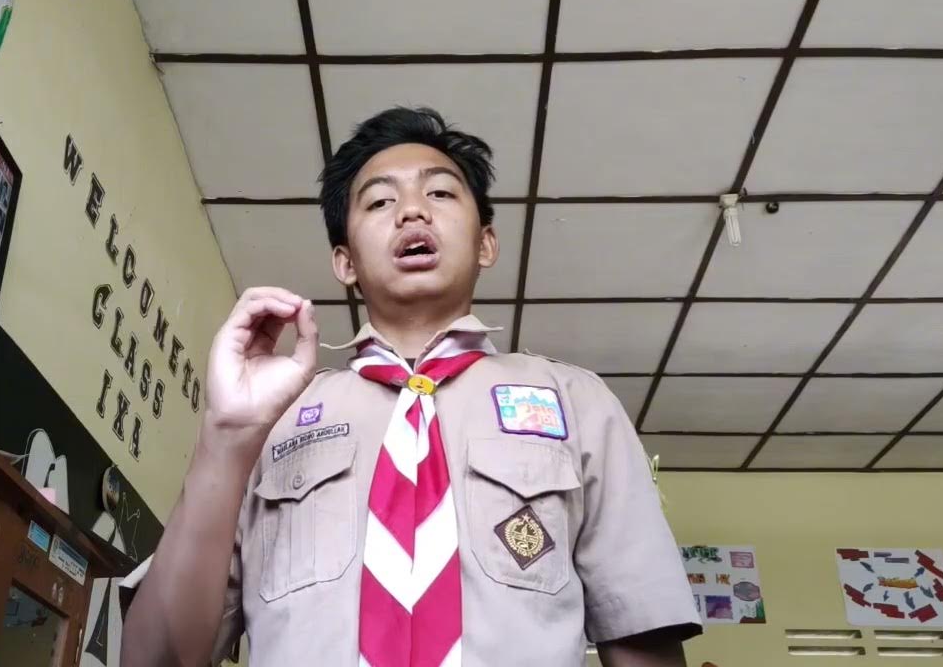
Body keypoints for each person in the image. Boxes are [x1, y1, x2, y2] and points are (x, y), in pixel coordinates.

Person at [119, 108, 700, 667]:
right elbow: (154, 660)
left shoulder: (578, 404)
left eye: (441, 193)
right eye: (379, 201)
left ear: (486, 243)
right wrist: (226, 437)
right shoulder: (275, 420)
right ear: (345, 262)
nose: (412, 212)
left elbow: (640, 641)